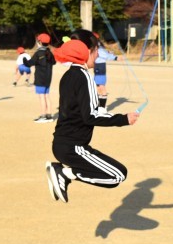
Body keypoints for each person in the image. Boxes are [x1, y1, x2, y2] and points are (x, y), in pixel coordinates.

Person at [45, 29, 139, 203]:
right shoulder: (84, 77)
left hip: (64, 144)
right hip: (73, 147)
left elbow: (82, 110)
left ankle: (65, 173)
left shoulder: (68, 75)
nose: (97, 56)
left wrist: (108, 111)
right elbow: (90, 116)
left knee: (117, 174)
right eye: (96, 51)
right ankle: (64, 173)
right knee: (117, 175)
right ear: (87, 52)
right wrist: (123, 119)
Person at [23, 33, 55, 123]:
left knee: (41, 97)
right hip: (48, 78)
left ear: (40, 42)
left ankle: (43, 116)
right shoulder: (49, 53)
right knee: (46, 96)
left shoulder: (38, 53)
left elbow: (29, 63)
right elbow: (54, 62)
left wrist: (24, 59)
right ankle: (49, 115)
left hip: (40, 78)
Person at [93, 32, 119, 114]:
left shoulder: (98, 48)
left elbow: (106, 55)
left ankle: (103, 107)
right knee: (98, 87)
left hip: (100, 67)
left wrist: (115, 57)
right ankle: (99, 106)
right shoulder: (95, 47)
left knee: (102, 87)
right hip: (96, 67)